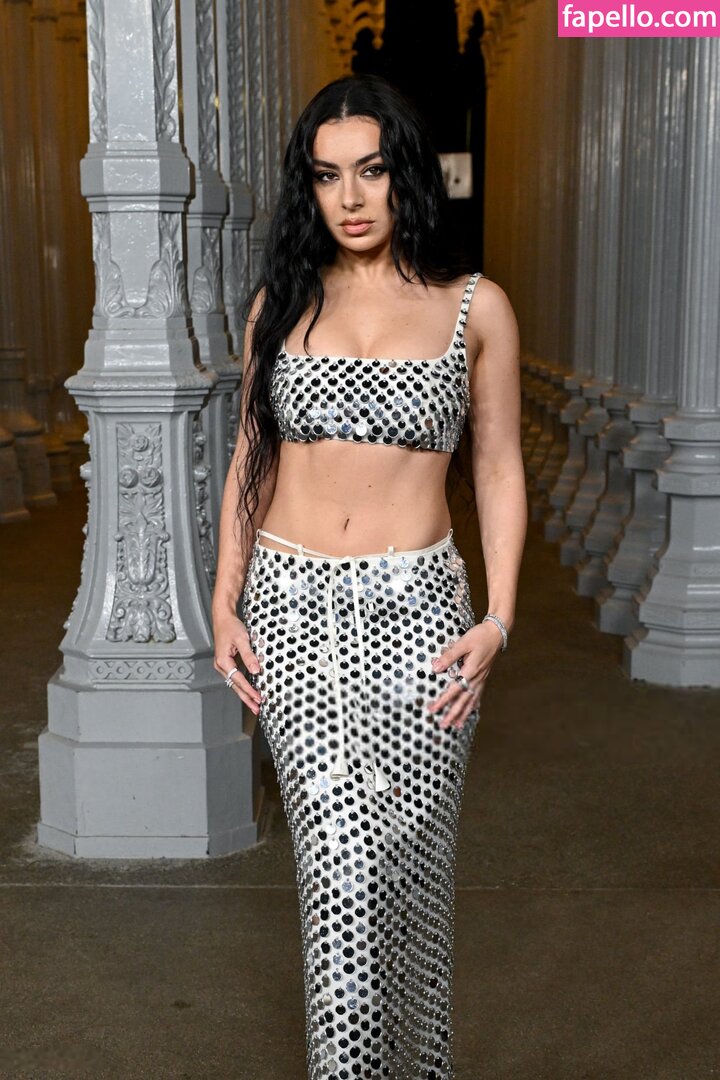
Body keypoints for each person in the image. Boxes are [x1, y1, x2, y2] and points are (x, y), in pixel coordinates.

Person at [212, 73, 525, 1080]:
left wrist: (500, 619)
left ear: (406, 176)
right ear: (307, 188)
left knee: (410, 876)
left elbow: (498, 467)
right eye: (326, 176)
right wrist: (224, 597)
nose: (350, 198)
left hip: (424, 620)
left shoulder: (474, 308)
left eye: (372, 171)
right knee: (339, 876)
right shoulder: (280, 305)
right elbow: (250, 456)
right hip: (291, 615)